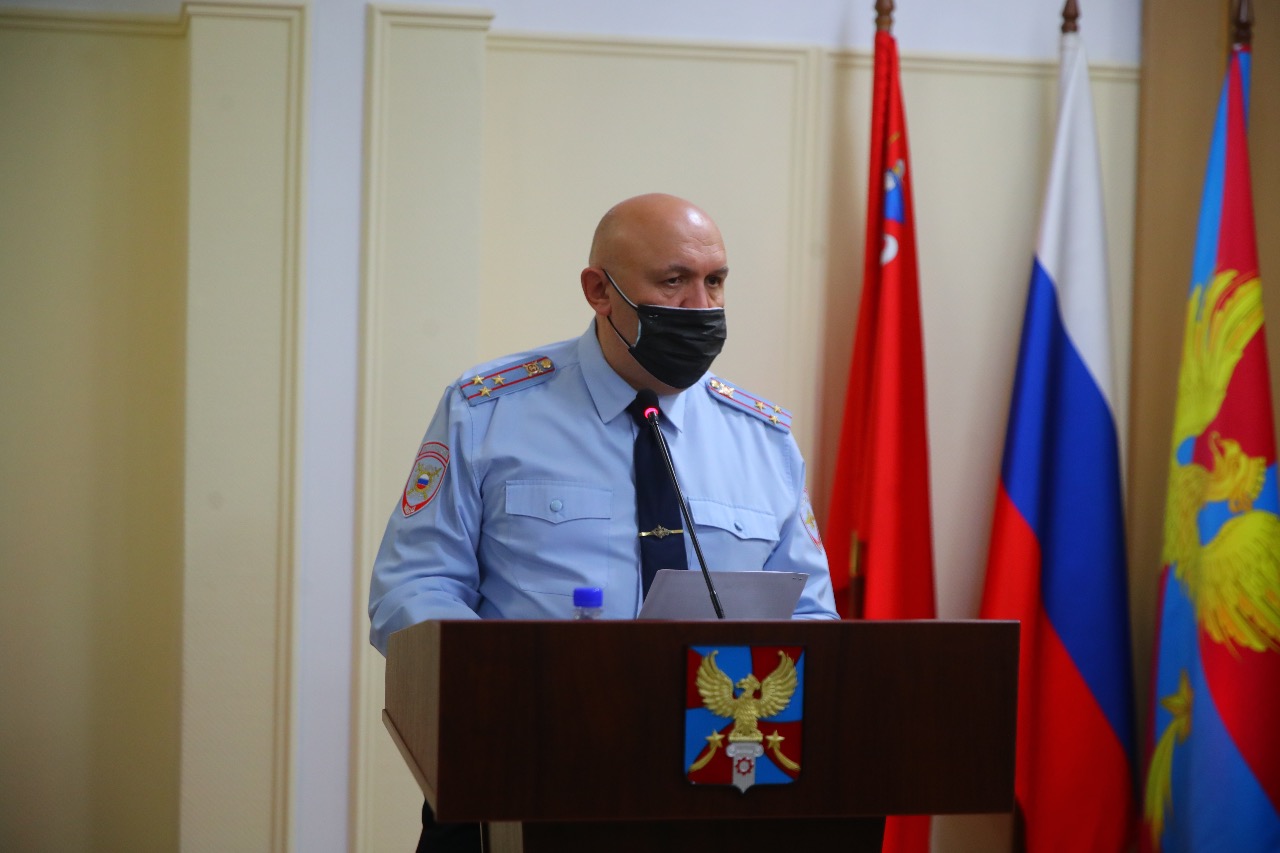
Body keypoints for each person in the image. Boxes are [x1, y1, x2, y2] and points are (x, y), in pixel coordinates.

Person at [368, 193, 838, 851]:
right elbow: (412, 587)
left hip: (715, 794)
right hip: (519, 776)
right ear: (599, 291)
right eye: (673, 281)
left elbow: (812, 619)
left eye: (715, 281)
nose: (701, 305)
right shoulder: (489, 411)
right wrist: (501, 690)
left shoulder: (762, 440)